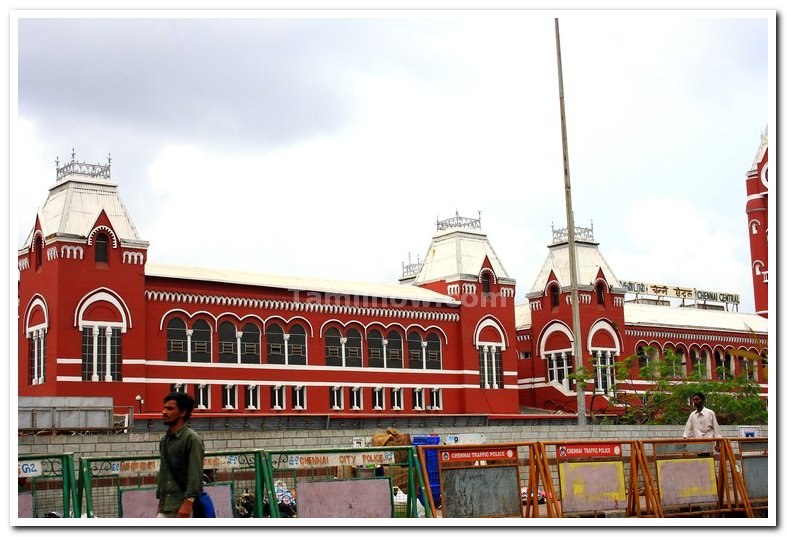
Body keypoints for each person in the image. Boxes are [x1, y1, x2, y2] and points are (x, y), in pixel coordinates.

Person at [156, 391, 205, 518]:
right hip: (166, 506)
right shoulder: (164, 440)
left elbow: (195, 474)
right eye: (164, 407)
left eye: (170, 408)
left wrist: (188, 504)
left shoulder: (192, 439)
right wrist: (161, 504)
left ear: (182, 412)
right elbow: (164, 474)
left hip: (183, 507)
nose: (164, 412)